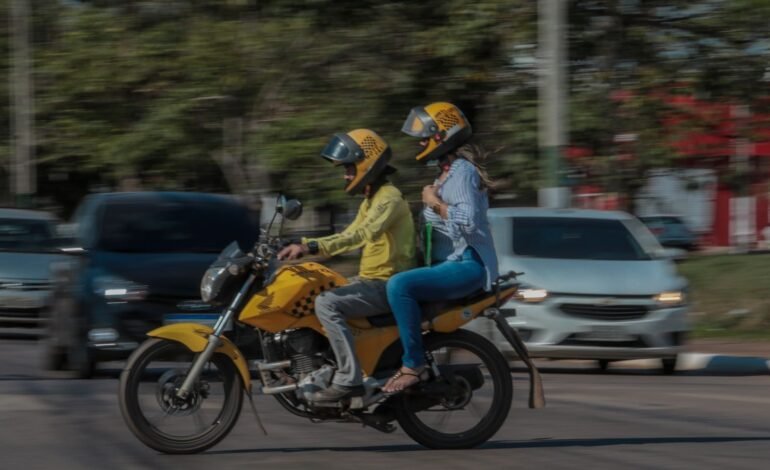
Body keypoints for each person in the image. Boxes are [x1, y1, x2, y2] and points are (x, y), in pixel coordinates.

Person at [278, 129, 415, 401]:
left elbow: (358, 237)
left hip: (388, 284)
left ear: (368, 163)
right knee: (310, 293)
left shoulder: (389, 198)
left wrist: (308, 246)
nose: (346, 176)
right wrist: (300, 242)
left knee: (327, 303)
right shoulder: (371, 200)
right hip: (371, 281)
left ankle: (349, 378)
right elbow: (346, 235)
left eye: (349, 169)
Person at [382, 102, 499, 393]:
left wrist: (434, 202)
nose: (420, 142)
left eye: (425, 135)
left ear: (443, 135)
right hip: (454, 262)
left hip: (470, 264)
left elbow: (469, 222)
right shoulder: (444, 174)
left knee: (399, 286)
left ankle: (414, 364)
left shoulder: (462, 172)